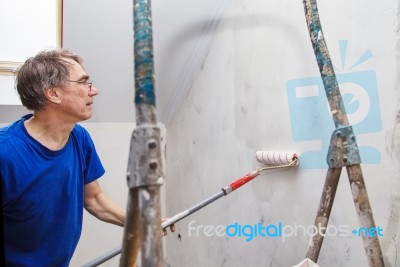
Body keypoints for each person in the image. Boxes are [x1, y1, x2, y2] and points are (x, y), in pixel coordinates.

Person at [0, 49, 173, 266]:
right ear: (53, 94)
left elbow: (93, 198)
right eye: (83, 83)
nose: (94, 91)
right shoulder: (5, 153)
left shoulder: (79, 137)